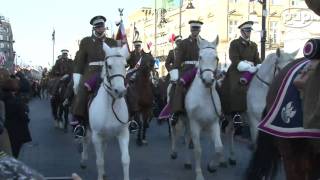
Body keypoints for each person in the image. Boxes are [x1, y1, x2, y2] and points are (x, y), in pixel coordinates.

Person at [72, 15, 117, 138]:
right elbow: (80, 61)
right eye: (97, 27)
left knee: (123, 89)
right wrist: (77, 78)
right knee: (82, 92)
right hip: (91, 72)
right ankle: (79, 123)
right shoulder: (86, 41)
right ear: (94, 28)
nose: (100, 29)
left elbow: (118, 57)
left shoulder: (112, 42)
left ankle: (129, 120)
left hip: (109, 72)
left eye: (101, 26)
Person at [220, 21, 261, 129]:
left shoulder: (254, 45)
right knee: (236, 87)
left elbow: (257, 59)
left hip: (252, 69)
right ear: (242, 31)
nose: (249, 33)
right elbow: (234, 59)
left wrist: (259, 66)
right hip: (237, 69)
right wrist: (248, 66)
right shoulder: (235, 43)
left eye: (250, 31)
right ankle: (236, 113)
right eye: (247, 31)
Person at [169, 20, 204, 125]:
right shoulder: (184, 43)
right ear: (190, 29)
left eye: (197, 29)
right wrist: (175, 72)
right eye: (193, 29)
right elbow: (178, 59)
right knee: (179, 86)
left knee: (212, 84)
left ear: (199, 30)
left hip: (200, 69)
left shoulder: (204, 42)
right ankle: (176, 111)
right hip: (187, 69)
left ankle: (219, 112)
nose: (195, 31)